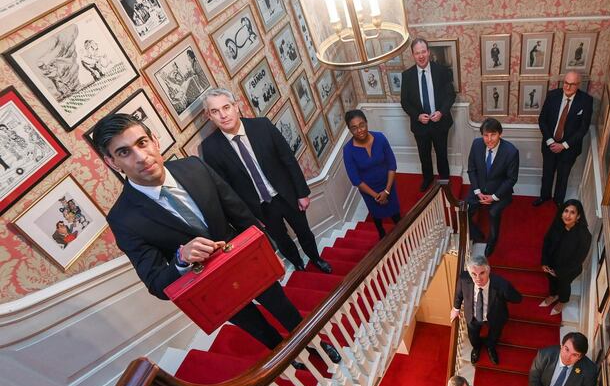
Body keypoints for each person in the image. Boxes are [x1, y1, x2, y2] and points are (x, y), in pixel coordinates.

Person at [92, 113, 325, 368]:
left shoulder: (194, 166)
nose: (140, 157)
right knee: (259, 330)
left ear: (155, 141)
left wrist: (267, 254)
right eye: (124, 152)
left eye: (142, 143)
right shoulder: (123, 219)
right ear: (112, 162)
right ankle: (288, 358)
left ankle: (315, 345)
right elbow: (157, 284)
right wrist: (181, 259)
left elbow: (241, 214)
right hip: (211, 291)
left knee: (285, 309)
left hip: (247, 264)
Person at [199, 88, 332, 274]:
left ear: (236, 107)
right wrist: (249, 218)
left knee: (304, 232)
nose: (223, 115)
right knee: (282, 240)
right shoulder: (210, 148)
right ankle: (298, 264)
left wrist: (302, 193)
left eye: (226, 107)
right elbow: (226, 191)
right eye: (215, 111)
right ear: (209, 116)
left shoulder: (262, 126)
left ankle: (316, 259)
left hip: (286, 195)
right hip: (260, 209)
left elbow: (288, 159)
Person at [400, 37, 456, 191]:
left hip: (440, 122)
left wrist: (441, 112)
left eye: (423, 51)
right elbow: (404, 102)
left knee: (442, 154)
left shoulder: (442, 71)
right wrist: (417, 116)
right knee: (424, 155)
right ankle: (428, 179)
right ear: (413, 55)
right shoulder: (407, 76)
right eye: (417, 53)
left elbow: (450, 95)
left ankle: (444, 180)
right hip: (420, 125)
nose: (421, 56)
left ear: (429, 52)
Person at [533, 71, 593, 207]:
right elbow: (542, 120)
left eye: (572, 84)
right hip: (550, 144)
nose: (567, 87)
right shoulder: (552, 95)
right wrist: (550, 141)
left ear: (578, 85)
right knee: (547, 173)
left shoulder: (586, 101)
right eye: (566, 83)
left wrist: (564, 145)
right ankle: (544, 196)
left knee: (563, 176)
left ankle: (558, 201)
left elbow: (583, 129)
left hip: (569, 148)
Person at [450, 254, 521, 365]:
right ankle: (476, 348)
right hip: (473, 316)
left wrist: (506, 292)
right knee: (473, 337)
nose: (478, 278)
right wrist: (456, 308)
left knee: (494, 335)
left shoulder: (501, 284)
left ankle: (490, 348)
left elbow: (517, 299)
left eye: (482, 273)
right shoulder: (464, 279)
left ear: (488, 271)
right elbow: (459, 294)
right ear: (469, 273)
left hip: (495, 316)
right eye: (474, 274)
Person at [342, 110, 401, 239]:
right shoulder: (348, 150)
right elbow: (355, 180)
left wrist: (386, 191)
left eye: (362, 125)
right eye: (354, 128)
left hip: (388, 184)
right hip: (369, 191)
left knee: (396, 214)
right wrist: (376, 196)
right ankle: (381, 231)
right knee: (376, 215)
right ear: (349, 130)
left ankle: (402, 228)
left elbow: (392, 164)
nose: (360, 130)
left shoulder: (380, 137)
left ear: (367, 123)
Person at [466, 118, 519, 256]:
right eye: (485, 135)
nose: (489, 139)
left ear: (500, 134)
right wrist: (477, 192)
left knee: (493, 213)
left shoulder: (511, 151)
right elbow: (471, 170)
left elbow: (511, 179)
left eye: (493, 135)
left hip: (499, 191)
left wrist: (494, 197)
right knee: (464, 210)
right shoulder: (476, 144)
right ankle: (475, 233)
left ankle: (493, 240)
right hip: (479, 188)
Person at [539, 199, 592, 315]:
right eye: (565, 211)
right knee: (551, 280)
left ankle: (563, 301)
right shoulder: (557, 224)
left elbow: (578, 260)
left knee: (564, 284)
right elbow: (547, 241)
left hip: (568, 269)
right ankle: (553, 295)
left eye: (572, 212)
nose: (567, 215)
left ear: (578, 216)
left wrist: (559, 272)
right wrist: (544, 262)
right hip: (552, 263)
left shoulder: (584, 236)